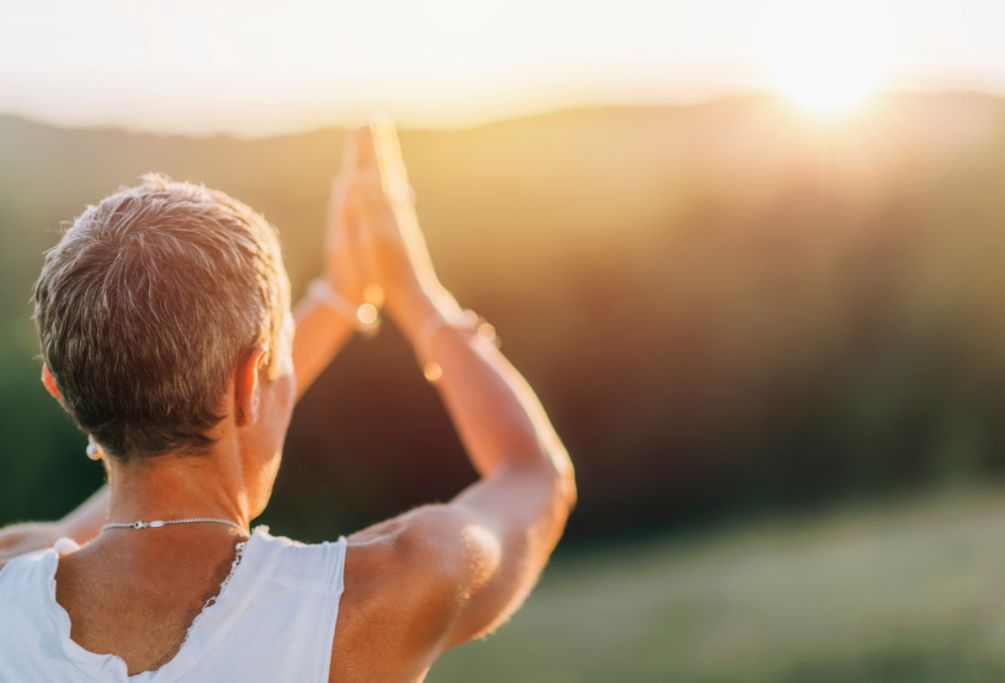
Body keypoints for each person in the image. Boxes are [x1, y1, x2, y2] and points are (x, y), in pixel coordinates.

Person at [0, 120, 577, 682]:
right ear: (253, 380)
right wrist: (415, 291)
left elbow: (115, 513)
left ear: (62, 391)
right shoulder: (374, 595)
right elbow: (535, 477)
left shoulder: (10, 579)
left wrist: (337, 300)